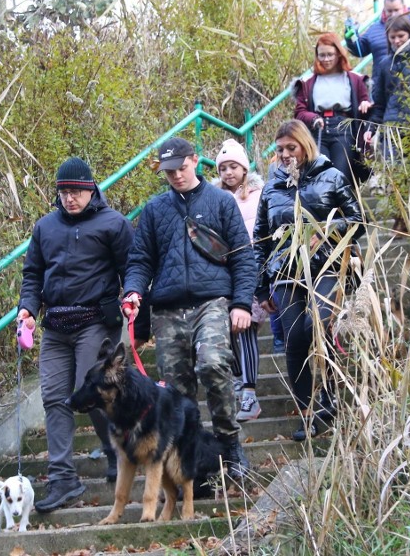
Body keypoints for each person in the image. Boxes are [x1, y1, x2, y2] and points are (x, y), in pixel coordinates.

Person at [121, 137, 255, 480]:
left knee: (212, 364)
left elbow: (242, 256)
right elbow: (140, 260)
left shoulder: (221, 202)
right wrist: (134, 291)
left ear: (195, 161)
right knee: (177, 390)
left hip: (212, 301)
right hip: (167, 309)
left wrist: (241, 304)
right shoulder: (154, 210)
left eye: (182, 168)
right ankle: (191, 459)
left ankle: (229, 444)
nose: (177, 175)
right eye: (169, 171)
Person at [17, 157, 134, 513]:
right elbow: (33, 273)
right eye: (64, 192)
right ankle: (63, 478)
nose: (70, 198)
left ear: (91, 189)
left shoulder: (113, 223)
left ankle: (116, 451)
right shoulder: (45, 227)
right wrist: (27, 308)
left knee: (95, 392)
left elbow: (132, 266)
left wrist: (131, 295)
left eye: (77, 191)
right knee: (54, 398)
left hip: (96, 321)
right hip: (54, 325)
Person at [253, 120, 364, 441]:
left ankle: (329, 391)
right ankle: (307, 413)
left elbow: (358, 221)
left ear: (305, 145)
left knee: (315, 325)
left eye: (291, 147)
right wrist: (261, 286)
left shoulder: (332, 176)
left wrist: (325, 230)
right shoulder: (272, 187)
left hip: (326, 267)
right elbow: (260, 237)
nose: (285, 154)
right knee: (295, 342)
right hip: (286, 273)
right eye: (280, 150)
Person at [214, 138, 265, 422]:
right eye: (223, 169)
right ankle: (236, 380)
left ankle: (250, 393)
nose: (228, 173)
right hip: (223, 271)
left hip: (252, 271)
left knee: (247, 329)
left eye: (233, 167)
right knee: (227, 330)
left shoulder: (259, 194)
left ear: (244, 169)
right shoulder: (214, 197)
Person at [294, 32, 372, 183]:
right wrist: (314, 118)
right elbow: (300, 112)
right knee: (320, 177)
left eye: (330, 54)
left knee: (340, 177)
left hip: (343, 130)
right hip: (317, 130)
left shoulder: (354, 79)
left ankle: (342, 207)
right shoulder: (308, 81)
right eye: (322, 55)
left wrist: (365, 104)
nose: (326, 59)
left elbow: (365, 101)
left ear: (338, 54)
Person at [368, 14, 410, 163]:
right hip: (391, 128)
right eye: (392, 37)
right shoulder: (384, 64)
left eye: (401, 36)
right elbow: (379, 103)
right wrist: (371, 128)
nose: (397, 41)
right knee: (393, 176)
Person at [345, 0, 410, 69]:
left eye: (396, 10)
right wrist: (352, 36)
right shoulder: (374, 29)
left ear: (403, 7)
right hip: (383, 81)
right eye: (389, 11)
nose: (393, 14)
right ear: (384, 9)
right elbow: (360, 51)